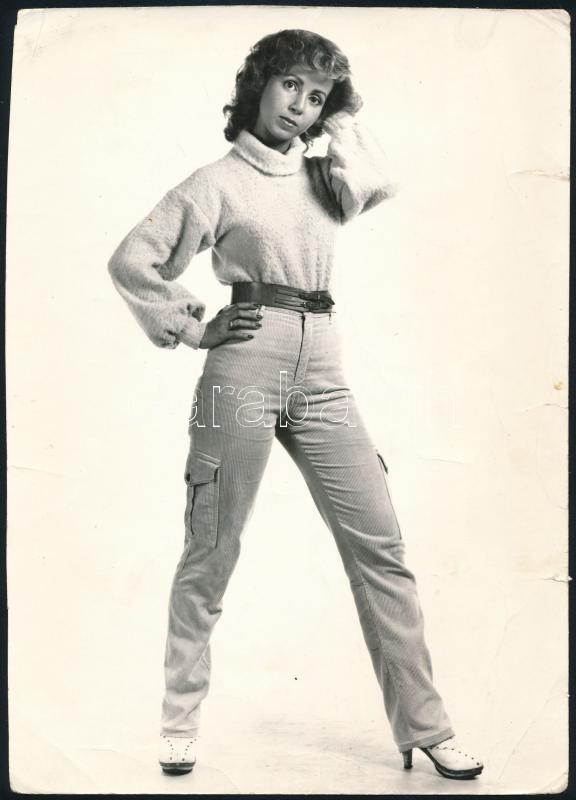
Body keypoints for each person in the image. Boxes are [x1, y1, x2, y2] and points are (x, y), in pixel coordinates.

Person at [108, 28, 483, 782]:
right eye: (290, 86)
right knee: (211, 545)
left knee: (380, 545)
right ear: (259, 85)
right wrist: (195, 325)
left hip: (325, 368)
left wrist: (340, 115)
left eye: (316, 97)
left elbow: (378, 181)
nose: (299, 106)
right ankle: (178, 724)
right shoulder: (215, 182)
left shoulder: (326, 179)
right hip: (244, 362)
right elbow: (133, 259)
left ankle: (425, 727)